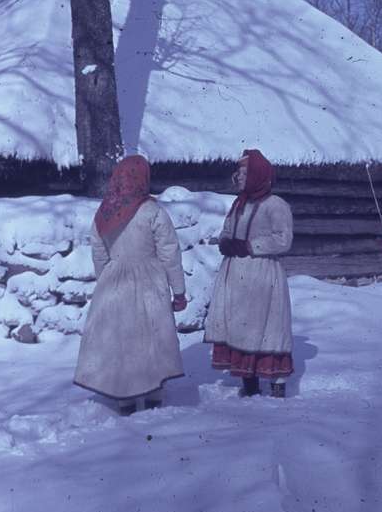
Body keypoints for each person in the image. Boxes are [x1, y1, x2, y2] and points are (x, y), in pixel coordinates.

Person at [74, 155, 187, 415]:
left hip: (114, 280)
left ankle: (123, 395)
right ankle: (153, 393)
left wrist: (105, 280)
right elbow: (170, 252)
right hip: (149, 278)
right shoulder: (153, 211)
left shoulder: (105, 211)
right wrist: (178, 290)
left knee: (121, 337)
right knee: (151, 335)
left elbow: (99, 251)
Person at [204, 149, 294, 398]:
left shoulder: (275, 205)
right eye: (239, 172)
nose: (239, 176)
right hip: (236, 276)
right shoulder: (239, 204)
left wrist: (250, 245)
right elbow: (226, 229)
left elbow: (283, 239)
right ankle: (249, 381)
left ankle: (277, 382)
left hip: (262, 275)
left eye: (244, 172)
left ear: (257, 174)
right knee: (242, 326)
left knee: (267, 327)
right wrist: (225, 241)